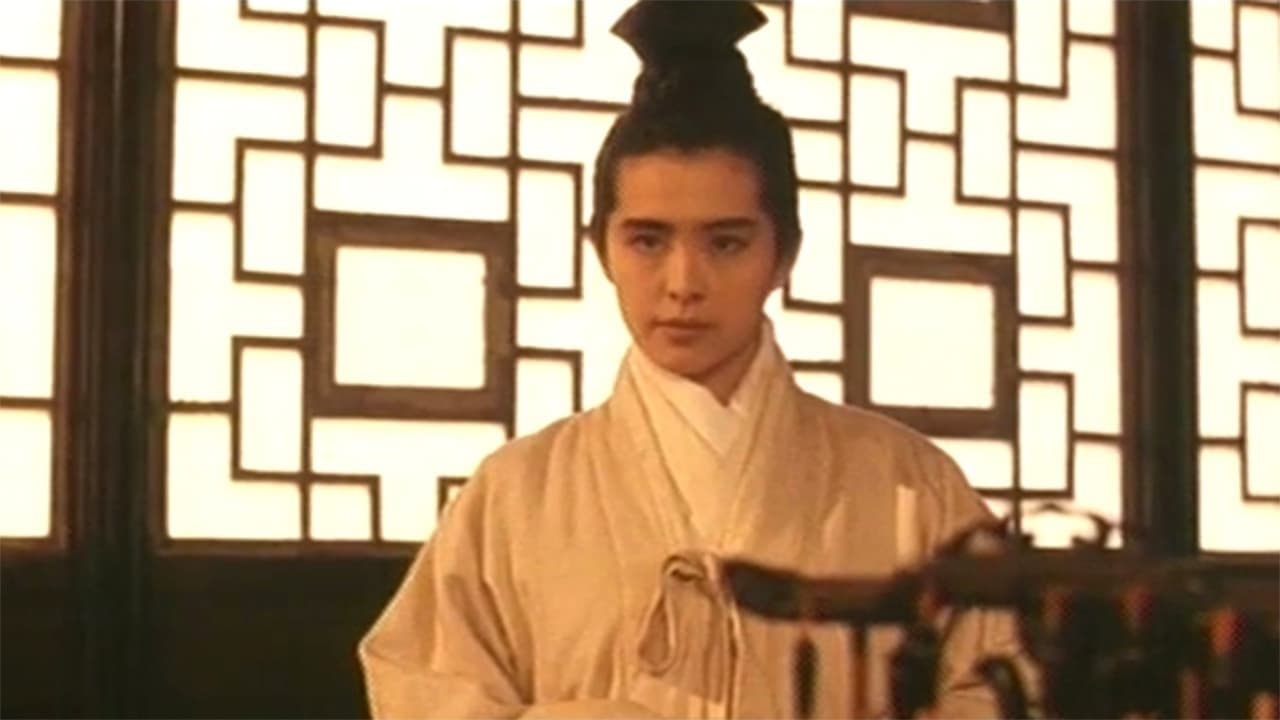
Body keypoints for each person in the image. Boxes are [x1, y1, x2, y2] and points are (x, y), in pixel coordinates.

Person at [359, 1, 1031, 717]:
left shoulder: (912, 486)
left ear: (784, 254)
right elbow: (426, 692)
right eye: (647, 241)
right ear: (602, 250)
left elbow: (1009, 687)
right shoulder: (512, 497)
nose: (683, 283)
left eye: (726, 243)